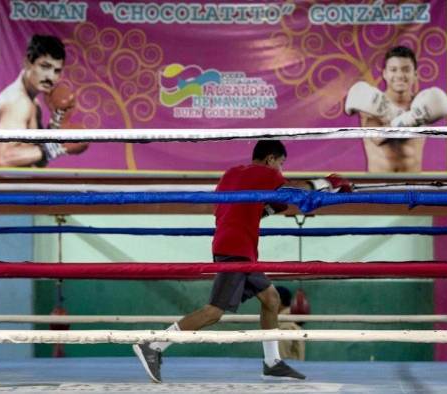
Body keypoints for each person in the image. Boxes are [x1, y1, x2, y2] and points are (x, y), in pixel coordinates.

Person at [133, 140, 352, 383]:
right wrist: (328, 185)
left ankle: (272, 362)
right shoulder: (264, 174)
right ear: (270, 159)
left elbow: (259, 208)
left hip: (235, 246)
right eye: (280, 163)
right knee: (214, 311)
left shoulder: (233, 174)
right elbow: (296, 191)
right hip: (235, 250)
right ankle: (153, 345)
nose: (280, 170)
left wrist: (305, 200)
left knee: (271, 299)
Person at [345, 46, 447, 173]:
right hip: (378, 184)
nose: (400, 75)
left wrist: (412, 116)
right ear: (385, 74)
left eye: (406, 70)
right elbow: (377, 138)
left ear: (415, 74)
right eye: (393, 70)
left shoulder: (423, 104)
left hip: (412, 184)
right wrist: (410, 118)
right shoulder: (372, 103)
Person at [0, 34, 88, 167]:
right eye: (45, 66)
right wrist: (57, 147)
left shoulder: (34, 104)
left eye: (56, 71)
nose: (50, 77)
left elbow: (37, 159)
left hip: (19, 185)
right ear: (27, 62)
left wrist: (56, 122)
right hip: (5, 186)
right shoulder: (18, 102)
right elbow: (4, 158)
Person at [276, 286, 306, 361]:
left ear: (278, 301)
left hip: (287, 370)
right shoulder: (290, 321)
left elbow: (280, 359)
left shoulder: (285, 326)